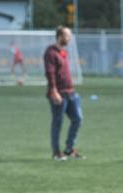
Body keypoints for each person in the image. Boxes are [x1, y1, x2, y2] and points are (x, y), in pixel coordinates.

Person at [44, 26, 84, 161]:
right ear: (60, 37)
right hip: (59, 94)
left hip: (70, 92)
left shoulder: (63, 52)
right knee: (58, 122)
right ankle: (56, 153)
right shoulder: (50, 53)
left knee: (78, 119)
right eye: (67, 35)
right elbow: (50, 74)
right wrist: (53, 91)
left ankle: (69, 149)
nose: (69, 38)